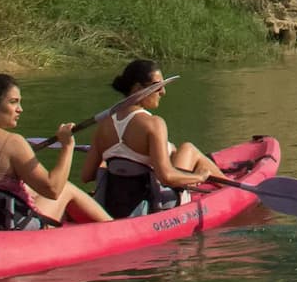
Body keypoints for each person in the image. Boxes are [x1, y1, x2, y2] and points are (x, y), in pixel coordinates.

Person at [0, 73, 110, 228]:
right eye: (13, 102)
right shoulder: (13, 142)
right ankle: (115, 229)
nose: (20, 109)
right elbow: (53, 190)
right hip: (10, 227)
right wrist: (67, 146)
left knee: (29, 189)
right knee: (65, 188)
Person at [83, 59, 225, 219]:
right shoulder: (153, 124)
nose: (163, 92)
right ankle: (231, 190)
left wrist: (116, 164)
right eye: (157, 86)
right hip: (155, 206)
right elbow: (167, 177)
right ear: (138, 88)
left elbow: (86, 175)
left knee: (184, 149)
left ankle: (226, 185)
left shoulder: (103, 126)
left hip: (112, 207)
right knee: (189, 150)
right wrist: (200, 177)